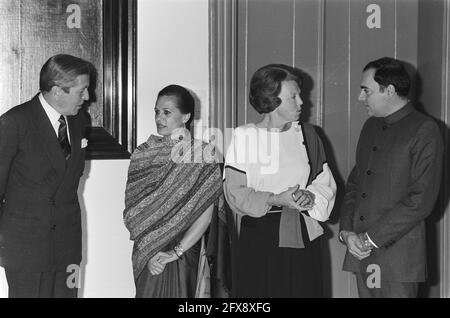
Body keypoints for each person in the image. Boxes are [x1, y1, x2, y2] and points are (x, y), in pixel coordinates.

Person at [223, 64, 337, 297]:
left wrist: (310, 196)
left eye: (300, 95)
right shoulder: (245, 136)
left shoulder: (309, 135)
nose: (302, 102)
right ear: (271, 100)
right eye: (293, 97)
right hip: (261, 240)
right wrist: (277, 199)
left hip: (305, 236)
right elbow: (235, 193)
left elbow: (324, 182)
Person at [339, 57, 443, 298]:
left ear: (390, 91)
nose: (360, 97)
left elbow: (421, 199)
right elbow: (355, 185)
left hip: (398, 262)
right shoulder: (370, 127)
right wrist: (347, 232)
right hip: (361, 255)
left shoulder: (424, 129)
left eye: (366, 90)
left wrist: (370, 239)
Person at [0, 54, 91, 297]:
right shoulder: (14, 122)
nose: (87, 97)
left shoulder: (79, 120)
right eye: (81, 90)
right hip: (27, 252)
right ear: (57, 91)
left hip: (68, 247)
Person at [123, 84, 225, 298]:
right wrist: (150, 252)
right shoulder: (143, 154)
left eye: (167, 112)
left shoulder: (204, 154)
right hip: (148, 253)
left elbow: (207, 214)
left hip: (185, 252)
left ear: (186, 116)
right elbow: (134, 212)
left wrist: (176, 251)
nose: (159, 117)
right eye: (157, 112)